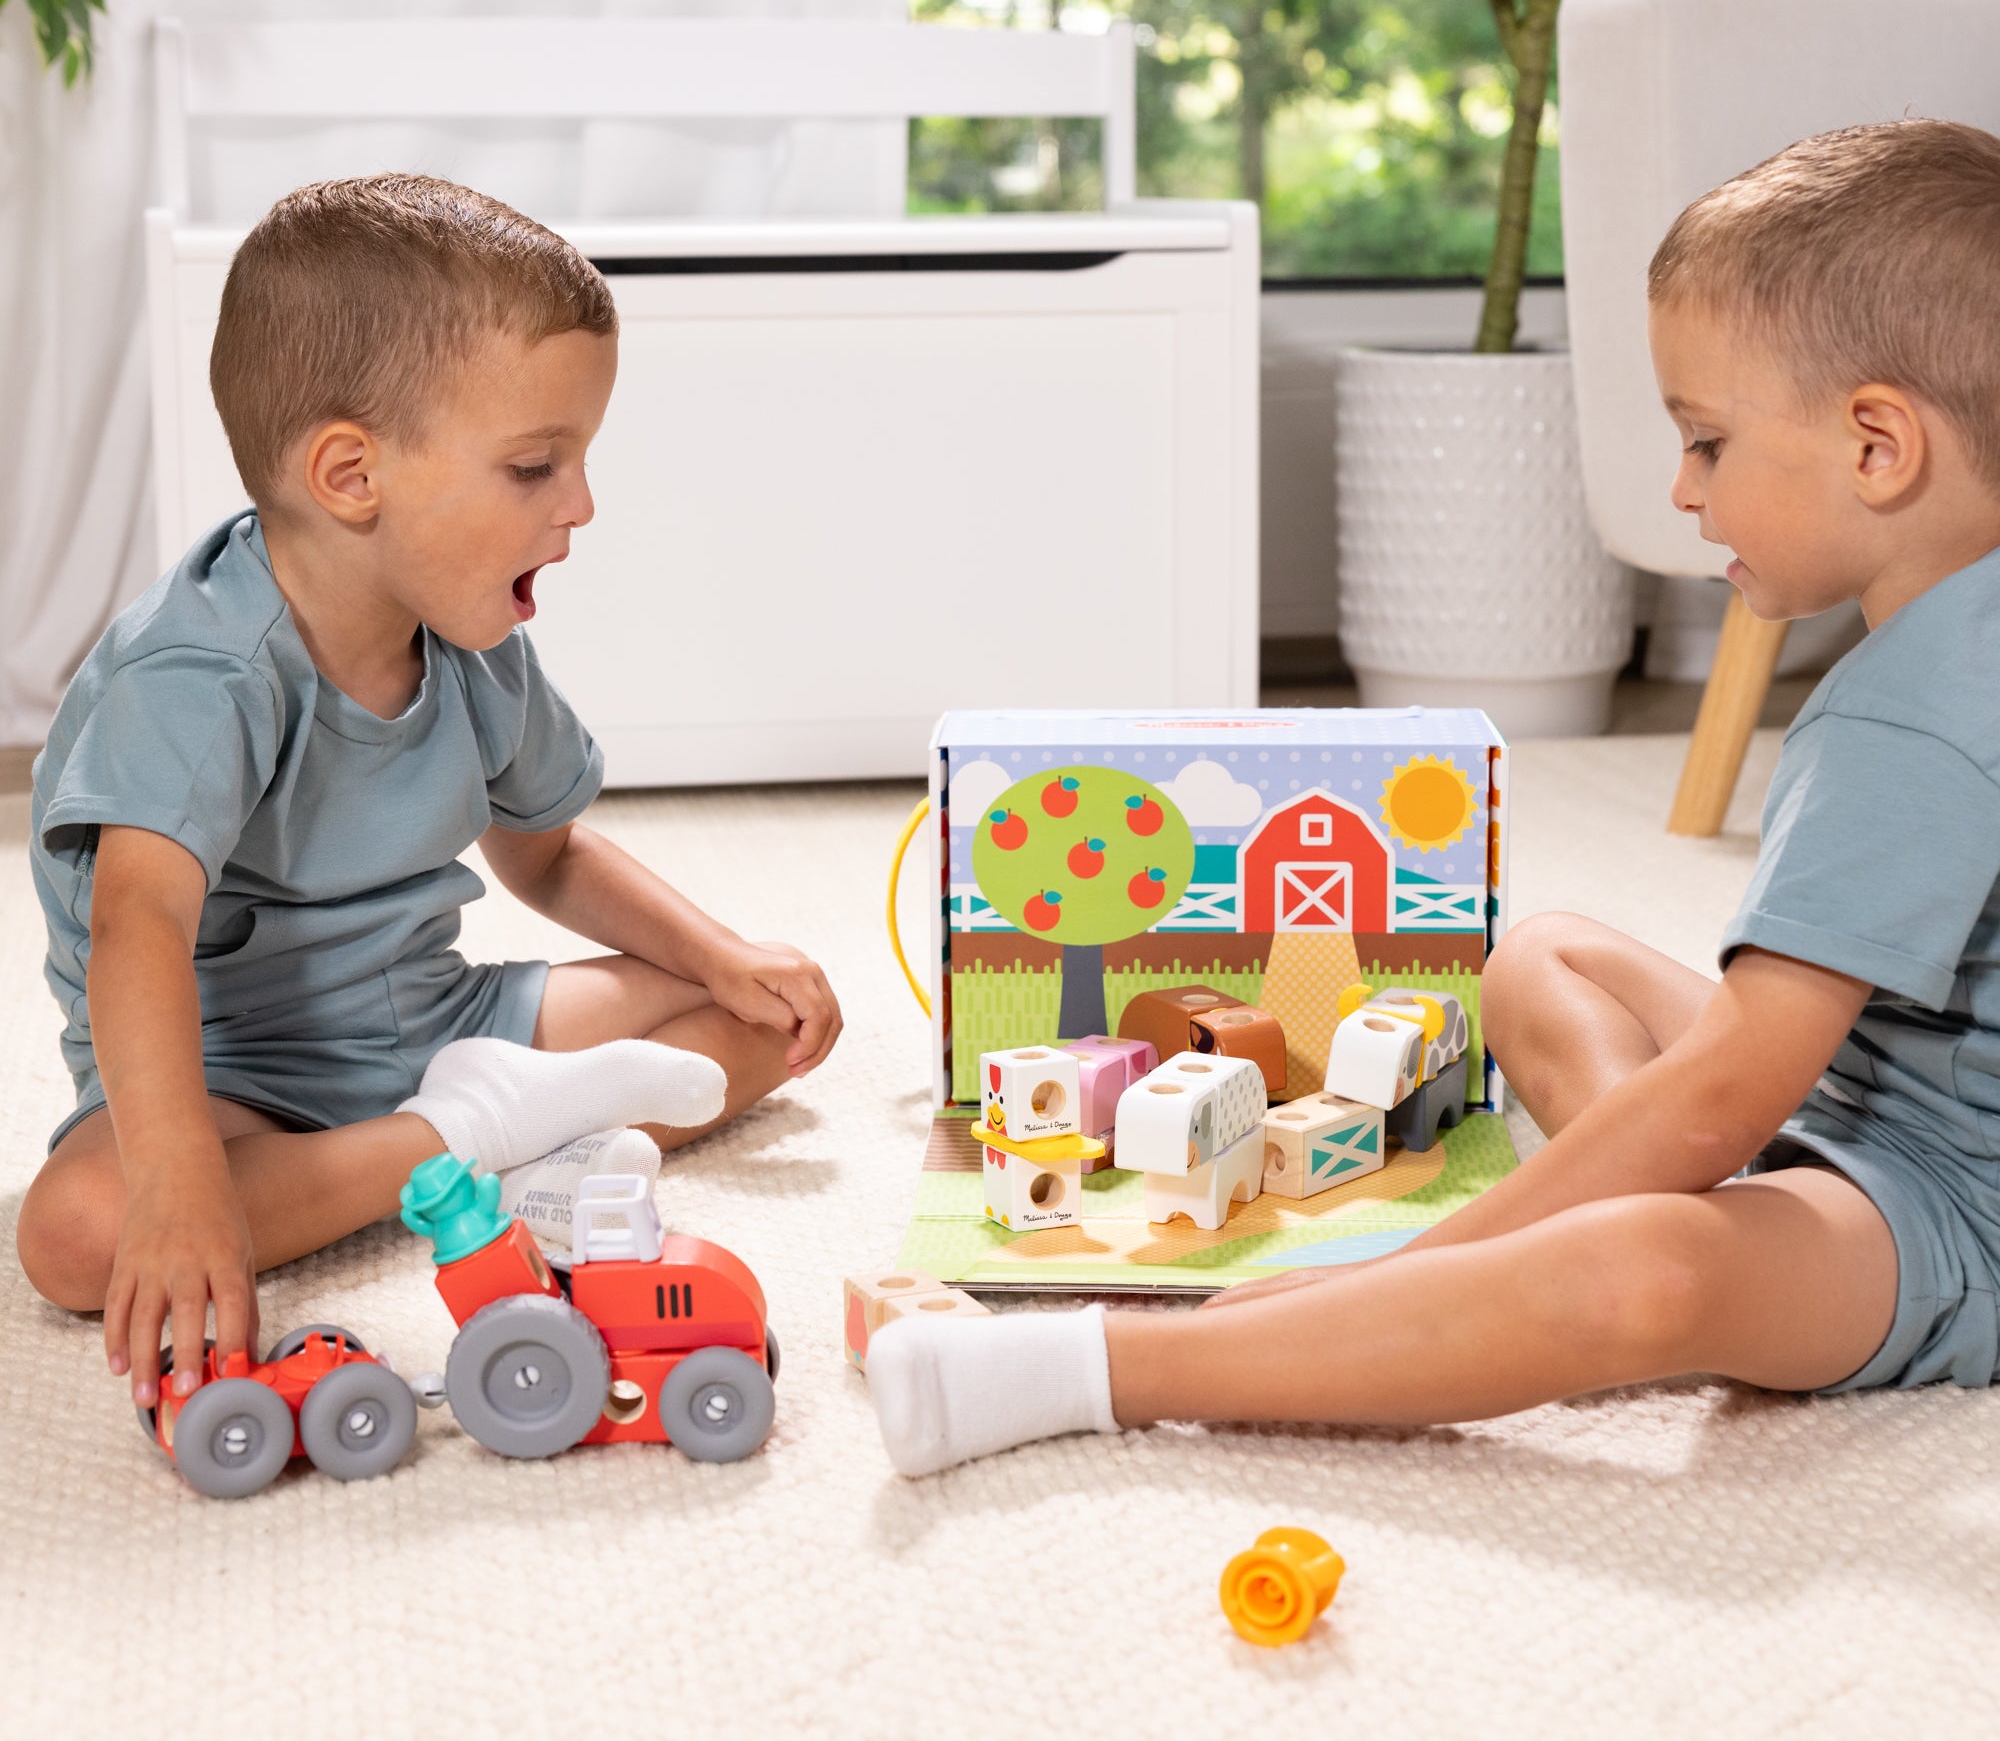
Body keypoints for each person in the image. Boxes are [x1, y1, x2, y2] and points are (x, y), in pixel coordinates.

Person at [867, 118, 2000, 1475]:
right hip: (1862, 1098)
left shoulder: (1904, 721)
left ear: (1880, 447)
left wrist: (1417, 1261)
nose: (1685, 492)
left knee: (1649, 1271)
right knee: (1545, 952)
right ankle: (1600, 1254)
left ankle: (1119, 1363)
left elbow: (1719, 1106)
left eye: (1705, 442)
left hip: (1948, 1210)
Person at [16, 175, 841, 1414]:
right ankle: (480, 1144)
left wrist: (722, 956)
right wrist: (183, 1178)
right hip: (229, 1075)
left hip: (443, 1020)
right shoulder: (199, 672)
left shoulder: (474, 639)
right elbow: (138, 922)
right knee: (76, 1231)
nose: (580, 506)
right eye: (533, 466)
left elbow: (548, 854)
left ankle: (488, 1132)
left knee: (763, 1017)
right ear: (351, 474)